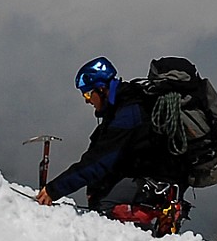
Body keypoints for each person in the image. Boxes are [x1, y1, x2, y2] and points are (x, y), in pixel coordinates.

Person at [36, 57, 189, 229]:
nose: (87, 100)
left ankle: (160, 214)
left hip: (160, 182)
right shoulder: (122, 106)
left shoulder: (128, 113)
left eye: (87, 93)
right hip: (154, 177)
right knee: (100, 194)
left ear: (101, 89)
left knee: (104, 205)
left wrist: (54, 190)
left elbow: (98, 161)